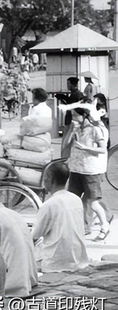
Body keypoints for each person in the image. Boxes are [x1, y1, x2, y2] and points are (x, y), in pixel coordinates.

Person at [32, 162, 88, 272]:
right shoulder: (76, 200)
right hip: (79, 260)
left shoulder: (49, 204)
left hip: (55, 264)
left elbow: (35, 235)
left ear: (49, 180)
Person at [66, 102, 110, 241]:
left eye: (75, 116)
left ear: (84, 115)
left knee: (93, 203)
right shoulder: (76, 129)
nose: (73, 118)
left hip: (91, 171)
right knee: (72, 200)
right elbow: (66, 143)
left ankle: (105, 226)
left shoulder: (95, 129)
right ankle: (79, 228)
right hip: (76, 170)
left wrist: (85, 148)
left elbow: (103, 149)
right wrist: (71, 130)